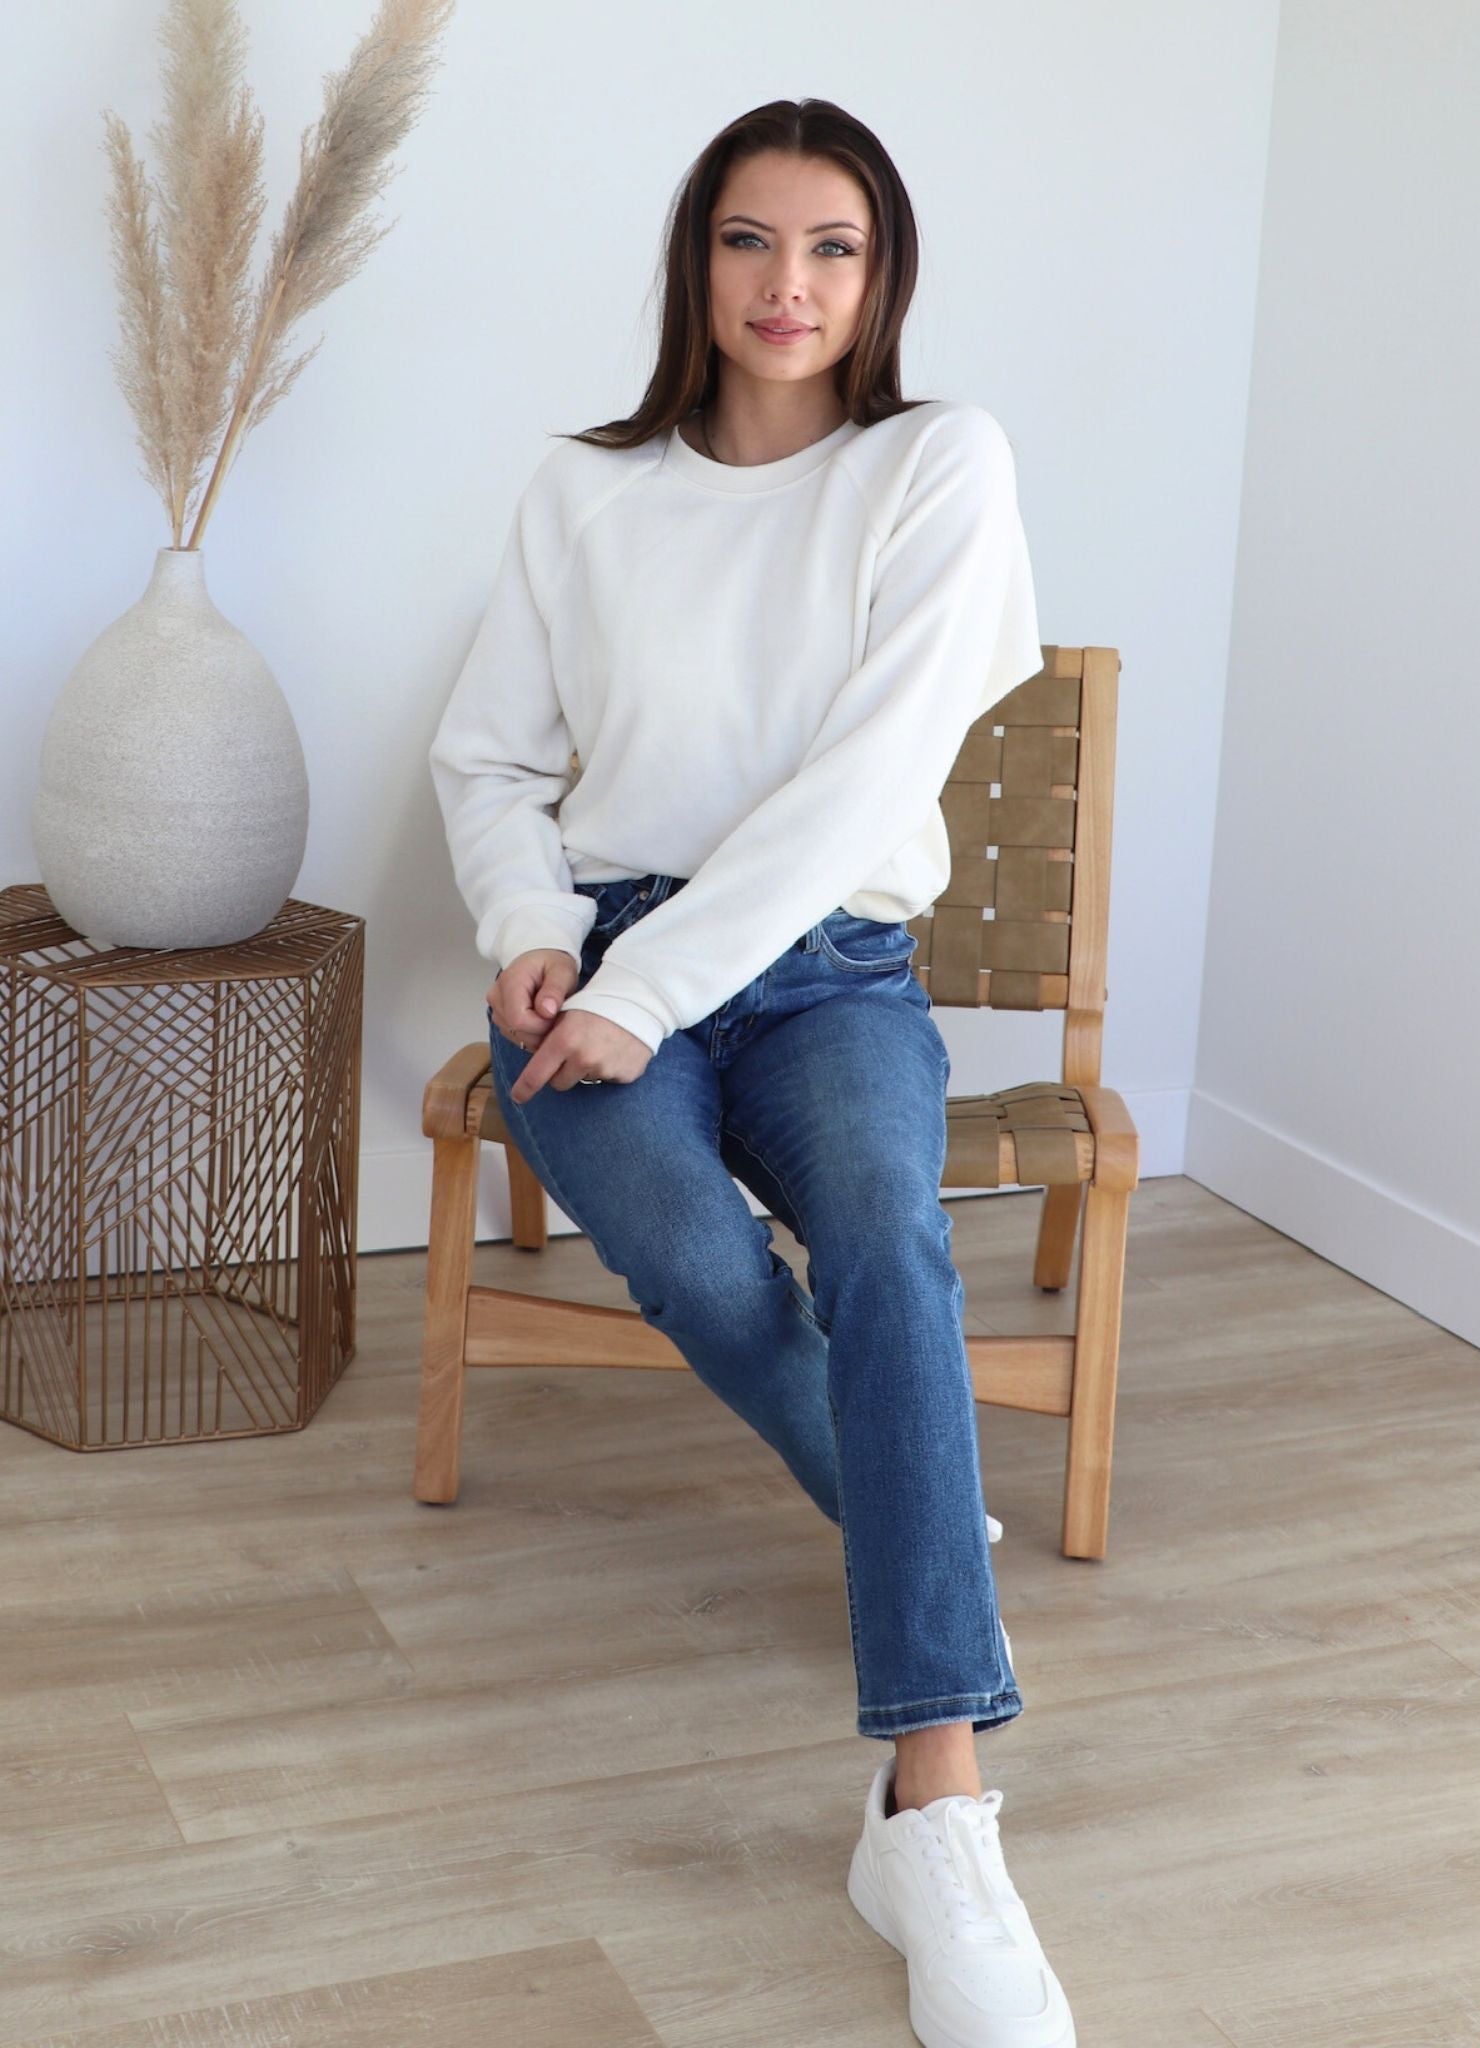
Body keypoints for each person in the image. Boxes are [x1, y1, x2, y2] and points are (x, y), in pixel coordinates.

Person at [430, 96, 1075, 2048]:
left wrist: (664, 983)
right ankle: (910, 1509)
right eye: (748, 239)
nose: (788, 284)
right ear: (694, 262)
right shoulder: (583, 488)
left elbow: (868, 785)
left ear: (881, 277)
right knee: (704, 1270)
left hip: (829, 965)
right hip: (600, 956)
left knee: (885, 1229)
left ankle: (933, 1814)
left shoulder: (936, 464)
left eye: (832, 247)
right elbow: (490, 756)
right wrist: (532, 925)